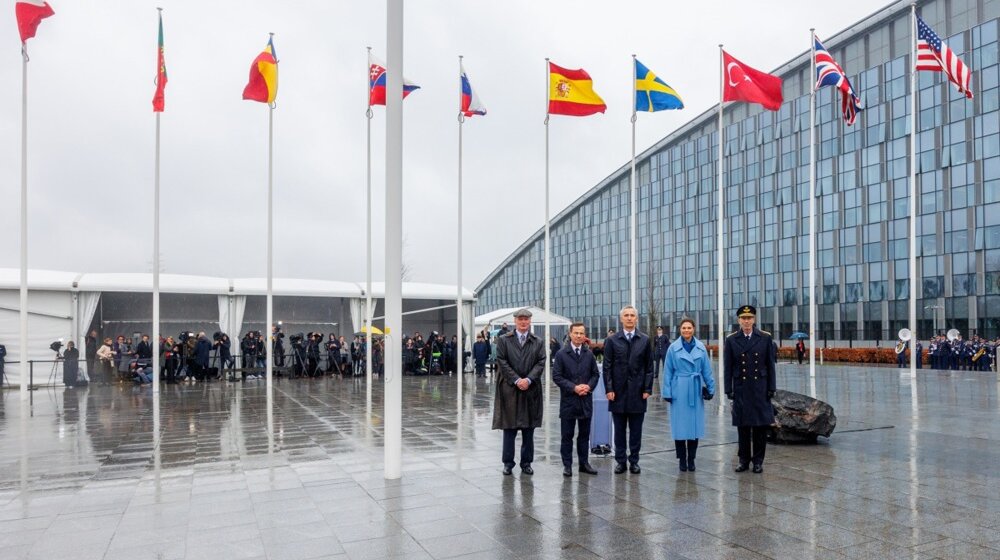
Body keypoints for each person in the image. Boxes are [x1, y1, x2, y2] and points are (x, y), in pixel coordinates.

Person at [724, 305, 776, 474]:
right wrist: (728, 389)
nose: (746, 322)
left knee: (760, 427)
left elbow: (770, 365)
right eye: (743, 318)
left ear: (754, 319)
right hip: (741, 388)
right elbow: (728, 367)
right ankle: (744, 460)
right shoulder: (732, 340)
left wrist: (771, 387)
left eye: (750, 318)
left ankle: (758, 461)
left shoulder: (765, 338)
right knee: (743, 427)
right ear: (739, 320)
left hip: (760, 387)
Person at [602, 305, 654, 474]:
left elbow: (649, 367)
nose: (630, 318)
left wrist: (647, 388)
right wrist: (609, 388)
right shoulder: (612, 340)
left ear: (637, 319)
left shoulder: (644, 340)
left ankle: (634, 461)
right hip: (617, 392)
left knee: (636, 430)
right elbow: (607, 367)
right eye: (627, 315)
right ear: (621, 319)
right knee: (619, 430)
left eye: (632, 315)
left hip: (638, 392)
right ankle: (621, 461)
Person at [492, 308, 545, 476]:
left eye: (526, 319)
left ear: (530, 321)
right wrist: (516, 380)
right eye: (520, 319)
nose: (523, 322)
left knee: (529, 430)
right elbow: (501, 360)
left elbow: (541, 362)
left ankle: (526, 462)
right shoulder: (504, 340)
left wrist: (528, 379)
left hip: (531, 390)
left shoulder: (538, 341)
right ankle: (508, 463)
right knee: (509, 428)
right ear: (515, 321)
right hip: (510, 390)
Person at [662, 318, 716, 472]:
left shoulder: (700, 348)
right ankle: (681, 459)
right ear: (680, 330)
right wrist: (667, 391)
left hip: (695, 388)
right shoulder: (673, 348)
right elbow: (668, 371)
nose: (686, 330)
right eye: (684, 328)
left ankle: (691, 458)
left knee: (694, 427)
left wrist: (710, 389)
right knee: (680, 427)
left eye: (689, 328)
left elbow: (707, 369)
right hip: (679, 388)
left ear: (694, 329)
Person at [552, 322, 600, 477]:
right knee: (567, 435)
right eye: (576, 333)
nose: (579, 336)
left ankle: (584, 463)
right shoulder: (561, 354)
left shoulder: (589, 354)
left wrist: (588, 386)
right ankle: (567, 465)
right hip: (569, 401)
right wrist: (574, 387)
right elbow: (557, 376)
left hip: (585, 400)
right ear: (570, 334)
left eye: (582, 333)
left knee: (584, 435)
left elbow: (595, 374)